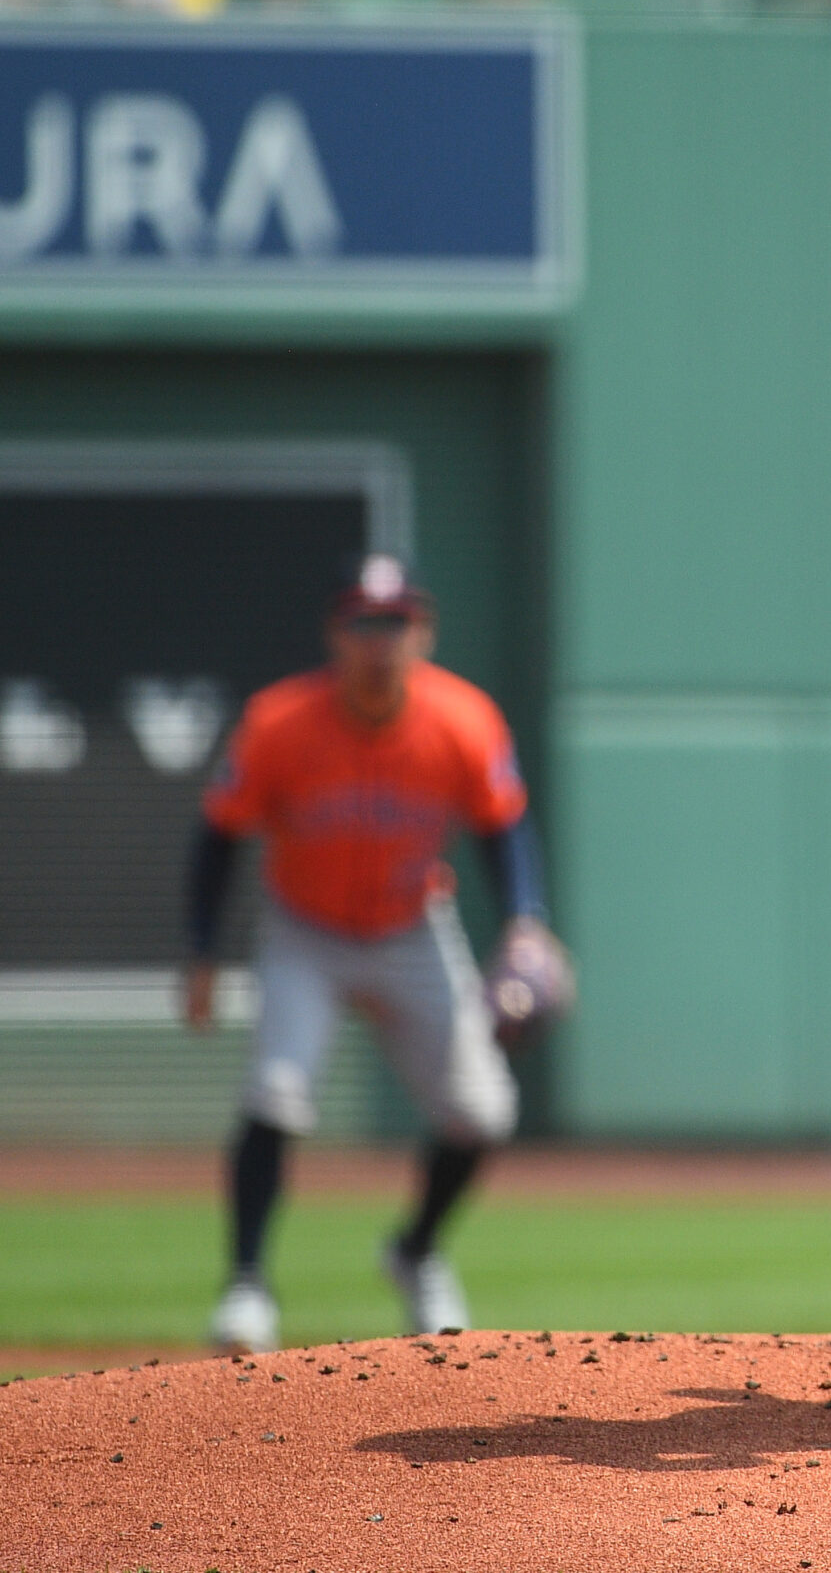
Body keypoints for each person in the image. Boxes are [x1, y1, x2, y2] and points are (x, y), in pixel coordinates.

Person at [183, 554, 570, 1354]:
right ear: (336, 633)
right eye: (365, 622)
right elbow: (220, 835)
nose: (380, 639)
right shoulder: (279, 722)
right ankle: (247, 1285)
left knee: (482, 1109)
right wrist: (201, 952)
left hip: (410, 925)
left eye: (396, 622)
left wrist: (525, 921)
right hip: (305, 930)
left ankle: (416, 1253)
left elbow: (503, 827)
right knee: (278, 1093)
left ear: (422, 633)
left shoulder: (462, 720)